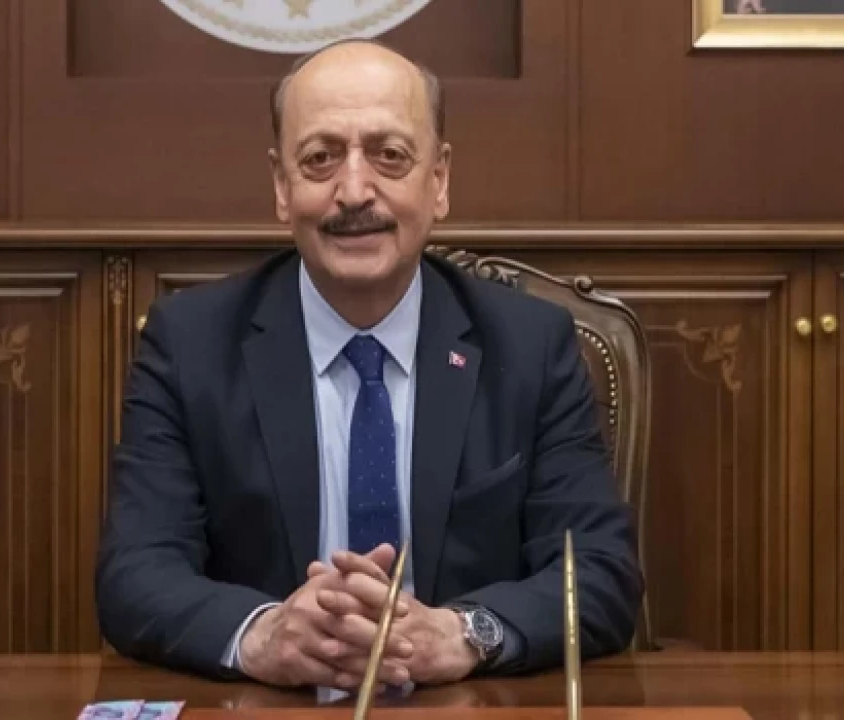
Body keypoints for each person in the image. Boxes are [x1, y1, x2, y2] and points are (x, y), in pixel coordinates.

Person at [95, 38, 643, 690]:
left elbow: (600, 573)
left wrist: (463, 633)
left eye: (390, 156)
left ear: (438, 180)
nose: (354, 191)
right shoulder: (190, 344)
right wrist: (265, 634)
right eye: (320, 158)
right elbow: (135, 574)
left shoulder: (530, 346)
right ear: (281, 186)